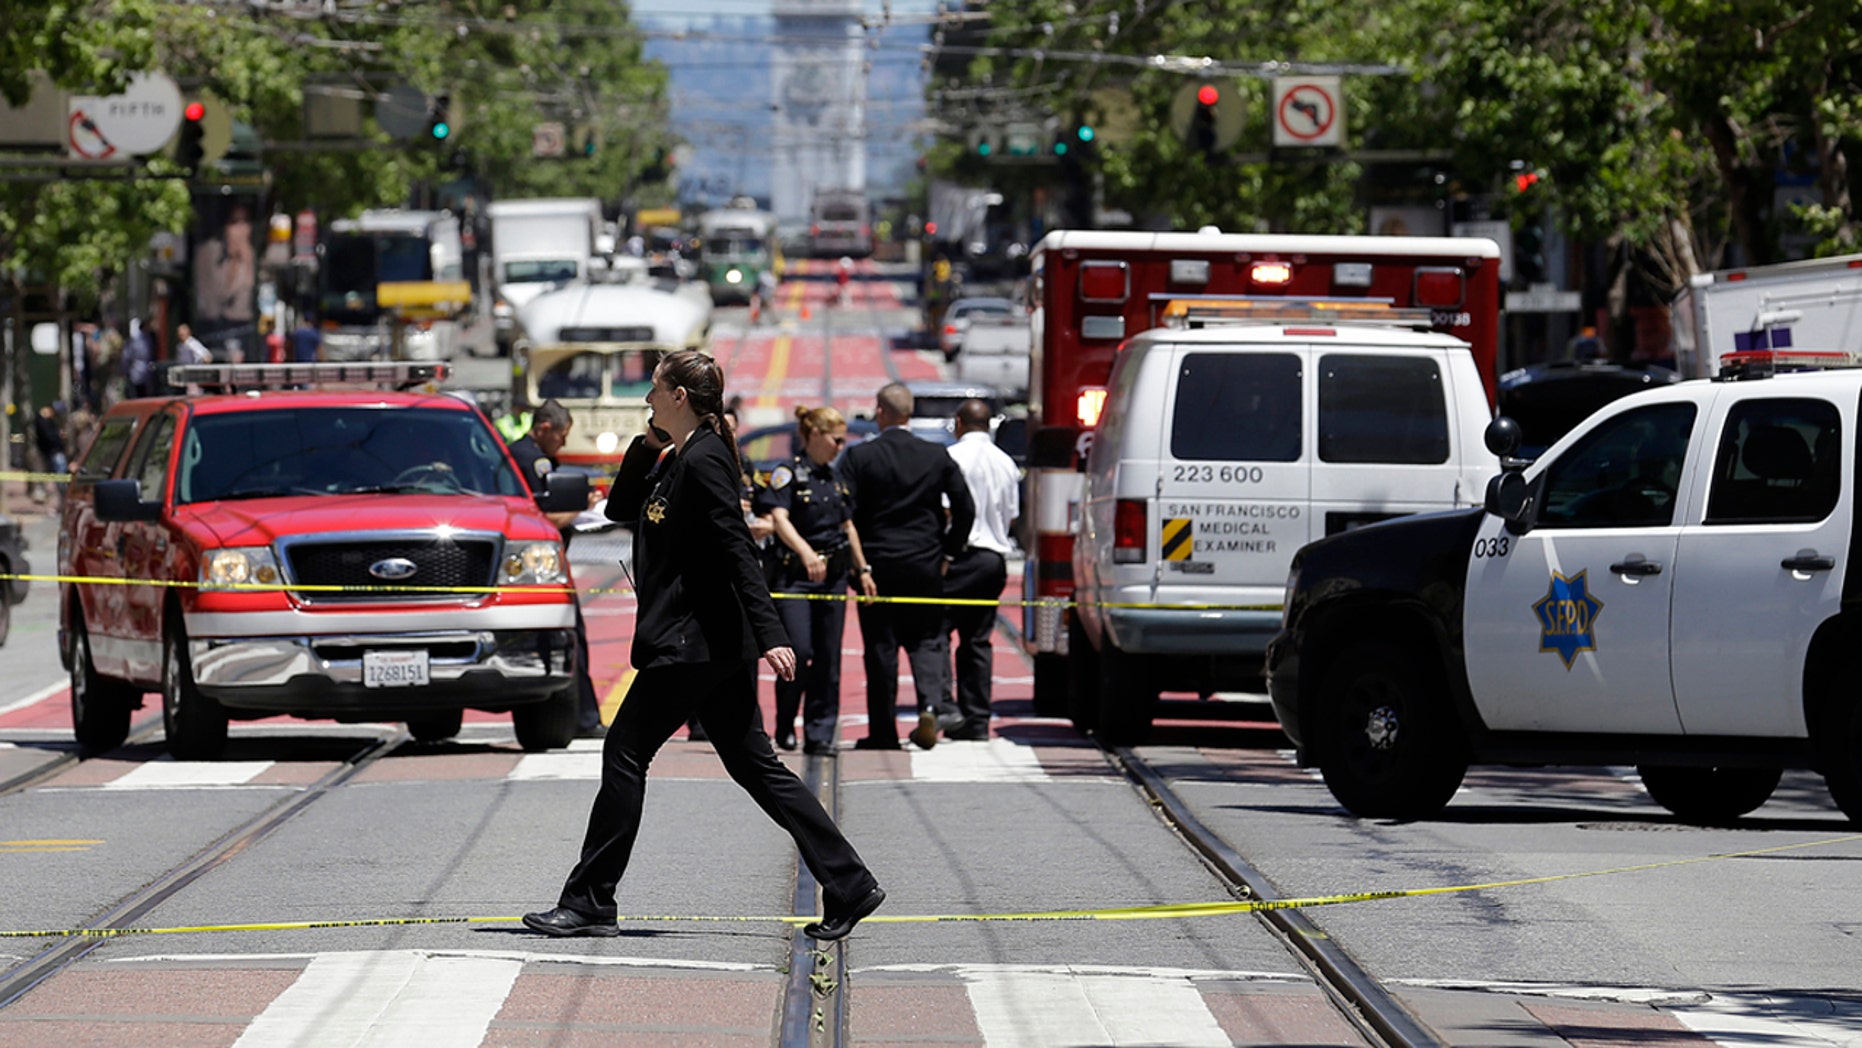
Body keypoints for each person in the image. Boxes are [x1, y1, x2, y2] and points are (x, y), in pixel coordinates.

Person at [524, 349, 884, 941]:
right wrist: (646, 445)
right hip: (706, 642)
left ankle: (589, 899)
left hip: (696, 642)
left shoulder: (707, 459)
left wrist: (771, 635)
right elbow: (620, 509)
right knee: (756, 768)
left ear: (680, 398)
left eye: (656, 391)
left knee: (624, 752)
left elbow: (735, 548)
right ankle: (850, 883)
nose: (647, 399)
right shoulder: (681, 454)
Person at [837, 382, 974, 750]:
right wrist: (948, 553)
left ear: (880, 412)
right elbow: (965, 508)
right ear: (909, 414)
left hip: (876, 566)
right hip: (925, 563)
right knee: (926, 640)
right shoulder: (935, 455)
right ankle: (930, 705)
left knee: (880, 647)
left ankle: (883, 730)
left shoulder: (859, 457)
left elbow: (842, 512)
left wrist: (858, 564)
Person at [758, 405, 875, 755]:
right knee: (800, 651)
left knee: (828, 657)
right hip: (795, 576)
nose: (841, 446)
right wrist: (807, 553)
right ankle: (786, 721)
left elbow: (847, 525)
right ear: (813, 435)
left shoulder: (835, 478)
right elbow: (779, 517)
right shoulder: (788, 473)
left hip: (833, 578)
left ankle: (820, 731)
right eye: (835, 439)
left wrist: (863, 568)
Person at [506, 400, 605, 739]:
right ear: (545, 429)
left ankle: (581, 715)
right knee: (570, 635)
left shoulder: (521, 454)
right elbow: (543, 518)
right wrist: (582, 509)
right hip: (540, 565)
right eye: (561, 437)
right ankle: (583, 718)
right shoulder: (531, 459)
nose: (562, 444)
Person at [940, 400, 1020, 741]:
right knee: (978, 641)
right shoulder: (1006, 462)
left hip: (959, 556)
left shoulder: (952, 457)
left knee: (937, 636)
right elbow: (1012, 516)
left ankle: (946, 710)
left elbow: (947, 512)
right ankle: (977, 720)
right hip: (993, 559)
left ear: (959, 423)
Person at [31, 402, 67, 505]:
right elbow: (49, 437)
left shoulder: (49, 421)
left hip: (51, 452)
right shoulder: (43, 422)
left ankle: (61, 500)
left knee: (59, 478)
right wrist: (58, 437)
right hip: (51, 452)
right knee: (59, 477)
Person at [123, 319, 155, 400]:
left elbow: (126, 357)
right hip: (146, 374)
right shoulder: (148, 339)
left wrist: (126, 370)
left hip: (136, 373)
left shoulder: (135, 340)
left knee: (136, 398)